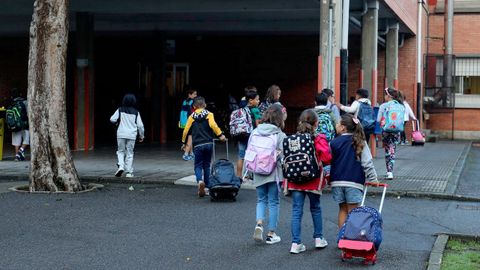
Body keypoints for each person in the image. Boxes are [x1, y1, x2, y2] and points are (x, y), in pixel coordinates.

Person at [285, 109, 332, 254]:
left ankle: (295, 243)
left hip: (294, 179)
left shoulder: (292, 138)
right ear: (316, 123)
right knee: (315, 208)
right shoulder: (318, 138)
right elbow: (326, 158)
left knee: (296, 211)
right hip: (313, 179)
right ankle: (318, 238)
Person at [330, 114, 378, 228]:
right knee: (353, 211)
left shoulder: (334, 143)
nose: (336, 125)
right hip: (354, 181)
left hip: (337, 181)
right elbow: (367, 162)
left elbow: (329, 160)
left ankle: (342, 237)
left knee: (342, 209)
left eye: (338, 123)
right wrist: (373, 178)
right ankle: (352, 238)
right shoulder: (360, 142)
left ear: (343, 127)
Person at [252, 104, 286, 245]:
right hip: (274, 172)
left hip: (258, 170)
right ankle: (271, 234)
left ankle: (259, 223)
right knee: (273, 201)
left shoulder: (255, 131)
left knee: (261, 200)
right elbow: (282, 155)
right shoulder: (280, 134)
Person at [182, 96, 226, 197]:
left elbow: (186, 131)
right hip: (208, 143)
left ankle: (200, 181)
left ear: (194, 106)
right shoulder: (209, 114)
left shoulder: (191, 116)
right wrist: (220, 135)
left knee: (198, 165)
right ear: (205, 105)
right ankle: (206, 187)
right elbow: (213, 125)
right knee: (206, 165)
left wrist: (184, 142)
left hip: (197, 145)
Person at [110, 93, 145, 178]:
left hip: (121, 134)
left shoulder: (120, 110)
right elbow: (140, 126)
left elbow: (112, 119)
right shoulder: (136, 112)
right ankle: (129, 172)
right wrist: (141, 136)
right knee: (130, 153)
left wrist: (116, 122)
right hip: (132, 135)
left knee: (120, 151)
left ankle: (121, 166)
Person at [377, 87, 405, 180]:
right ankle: (390, 171)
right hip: (397, 131)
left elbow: (378, 119)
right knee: (392, 150)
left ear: (388, 96)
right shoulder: (401, 106)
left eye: (385, 94)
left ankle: (389, 172)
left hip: (386, 130)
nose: (384, 96)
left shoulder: (384, 106)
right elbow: (403, 120)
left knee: (387, 150)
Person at [235, 90, 261, 178]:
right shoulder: (255, 110)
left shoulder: (242, 109)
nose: (258, 101)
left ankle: (238, 177)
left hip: (242, 135)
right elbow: (258, 125)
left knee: (241, 156)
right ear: (250, 100)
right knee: (252, 156)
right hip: (251, 137)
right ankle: (248, 175)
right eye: (257, 100)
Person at [9, 88, 29, 161]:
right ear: (20, 94)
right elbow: (28, 112)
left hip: (14, 124)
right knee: (27, 138)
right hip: (24, 123)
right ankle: (21, 150)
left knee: (16, 141)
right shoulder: (24, 102)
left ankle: (17, 157)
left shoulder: (11, 102)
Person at [179, 86, 197, 161]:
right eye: (194, 94)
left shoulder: (184, 101)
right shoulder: (193, 102)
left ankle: (192, 154)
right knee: (190, 138)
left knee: (189, 138)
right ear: (189, 95)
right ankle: (186, 154)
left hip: (184, 123)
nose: (195, 96)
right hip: (190, 122)